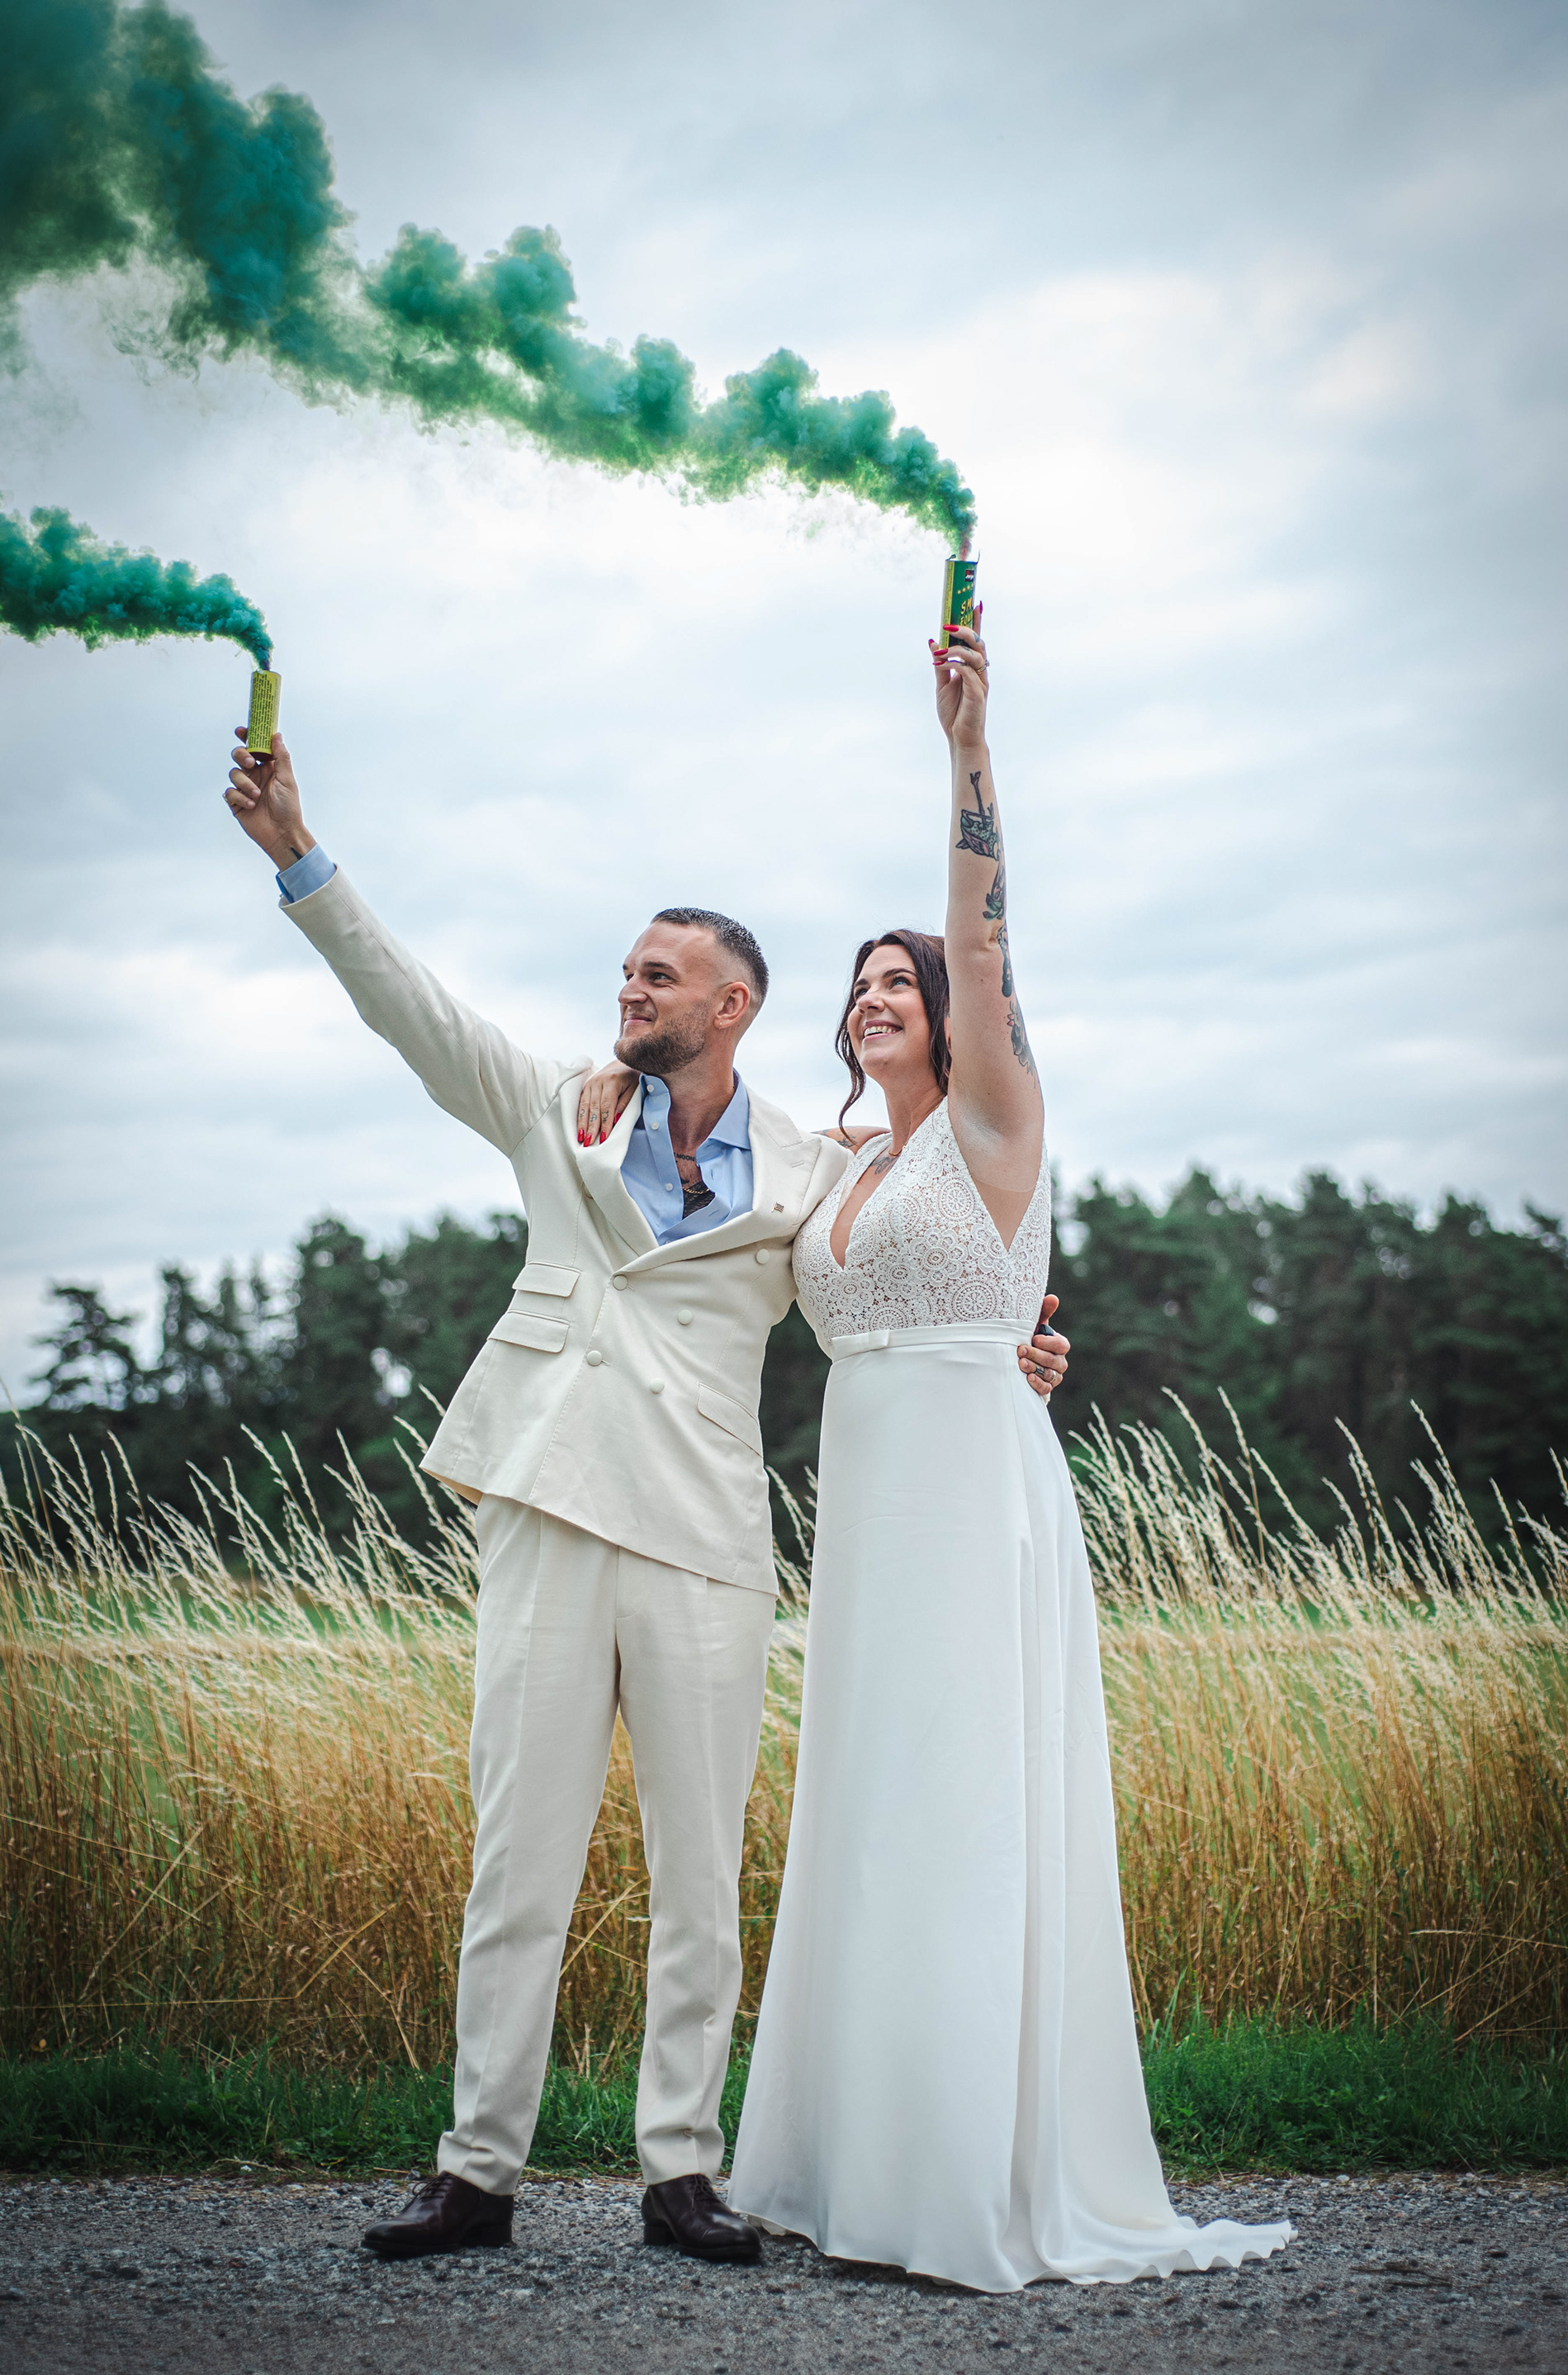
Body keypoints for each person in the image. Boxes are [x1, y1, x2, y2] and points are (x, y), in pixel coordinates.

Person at [220, 724, 1067, 2268]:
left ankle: (682, 2169)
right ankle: (475, 2172)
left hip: (706, 1544)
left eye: (660, 977)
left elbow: (918, 1261)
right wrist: (298, 853)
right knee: (517, 1864)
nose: (631, 992)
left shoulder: (816, 1168)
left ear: (733, 1006)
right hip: (547, 1512)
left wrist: (1008, 1349)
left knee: (701, 1879)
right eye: (625, 973)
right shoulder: (562, 1107)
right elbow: (411, 1008)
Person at [718, 625, 1296, 2291]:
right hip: (870, 1499)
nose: (876, 998)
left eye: (901, 984)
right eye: (861, 987)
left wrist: (967, 750)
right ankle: (851, 2166)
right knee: (873, 1806)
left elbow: (982, 933)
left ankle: (967, 2181)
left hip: (975, 1489)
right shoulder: (837, 1160)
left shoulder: (996, 1123)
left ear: (952, 1017)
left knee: (964, 1802)